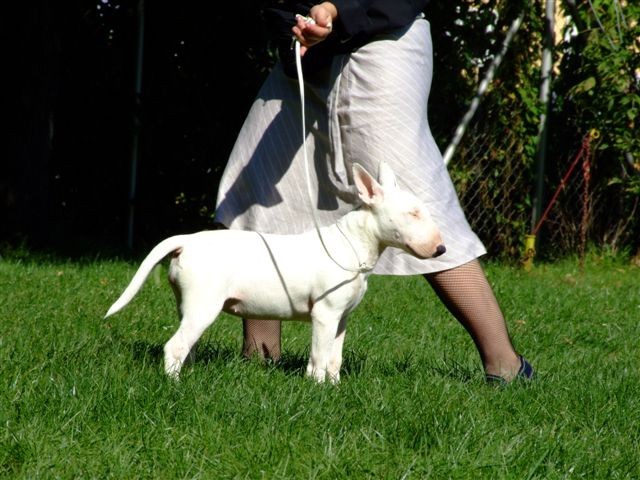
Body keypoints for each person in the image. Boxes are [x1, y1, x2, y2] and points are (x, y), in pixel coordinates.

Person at [214, 1, 534, 383]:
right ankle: (259, 366)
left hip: (382, 44)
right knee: (259, 187)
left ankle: (506, 367)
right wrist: (295, 25)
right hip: (305, 54)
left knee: (411, 202)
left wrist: (335, 9)